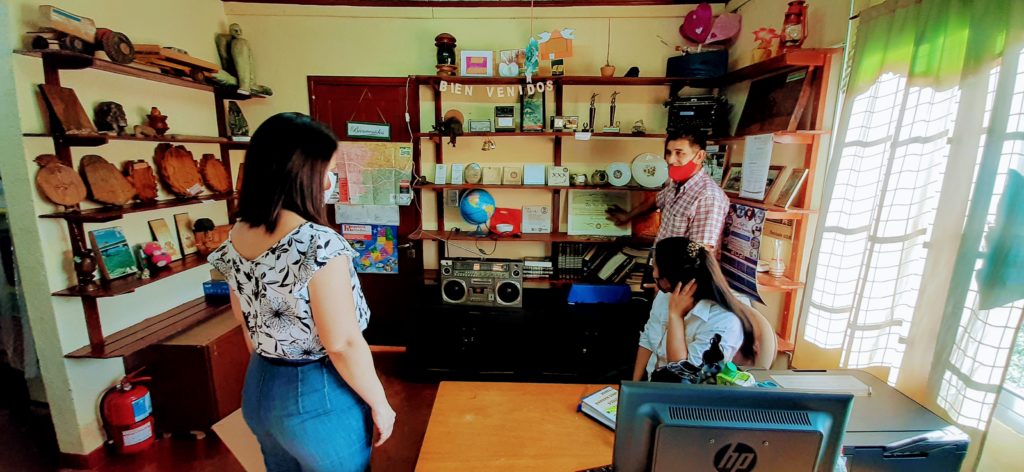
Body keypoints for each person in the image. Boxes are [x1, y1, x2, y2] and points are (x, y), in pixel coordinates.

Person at [208, 112, 394, 472]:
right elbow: (342, 343)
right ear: (303, 174)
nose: (330, 181)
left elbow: (246, 322)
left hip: (260, 385)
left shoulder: (238, 234)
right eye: (328, 170)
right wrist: (381, 404)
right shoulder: (318, 243)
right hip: (315, 394)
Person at [632, 237, 760, 381]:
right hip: (651, 382)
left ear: (675, 278)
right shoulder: (666, 295)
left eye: (658, 279)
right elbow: (647, 339)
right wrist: (634, 384)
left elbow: (683, 377)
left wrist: (675, 317)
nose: (656, 283)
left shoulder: (724, 322)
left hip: (680, 390)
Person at [606, 129, 730, 249]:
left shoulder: (708, 197)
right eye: (669, 152)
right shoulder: (676, 184)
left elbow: (701, 252)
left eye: (679, 153)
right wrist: (628, 216)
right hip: (660, 259)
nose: (670, 160)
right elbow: (655, 201)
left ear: (699, 156)